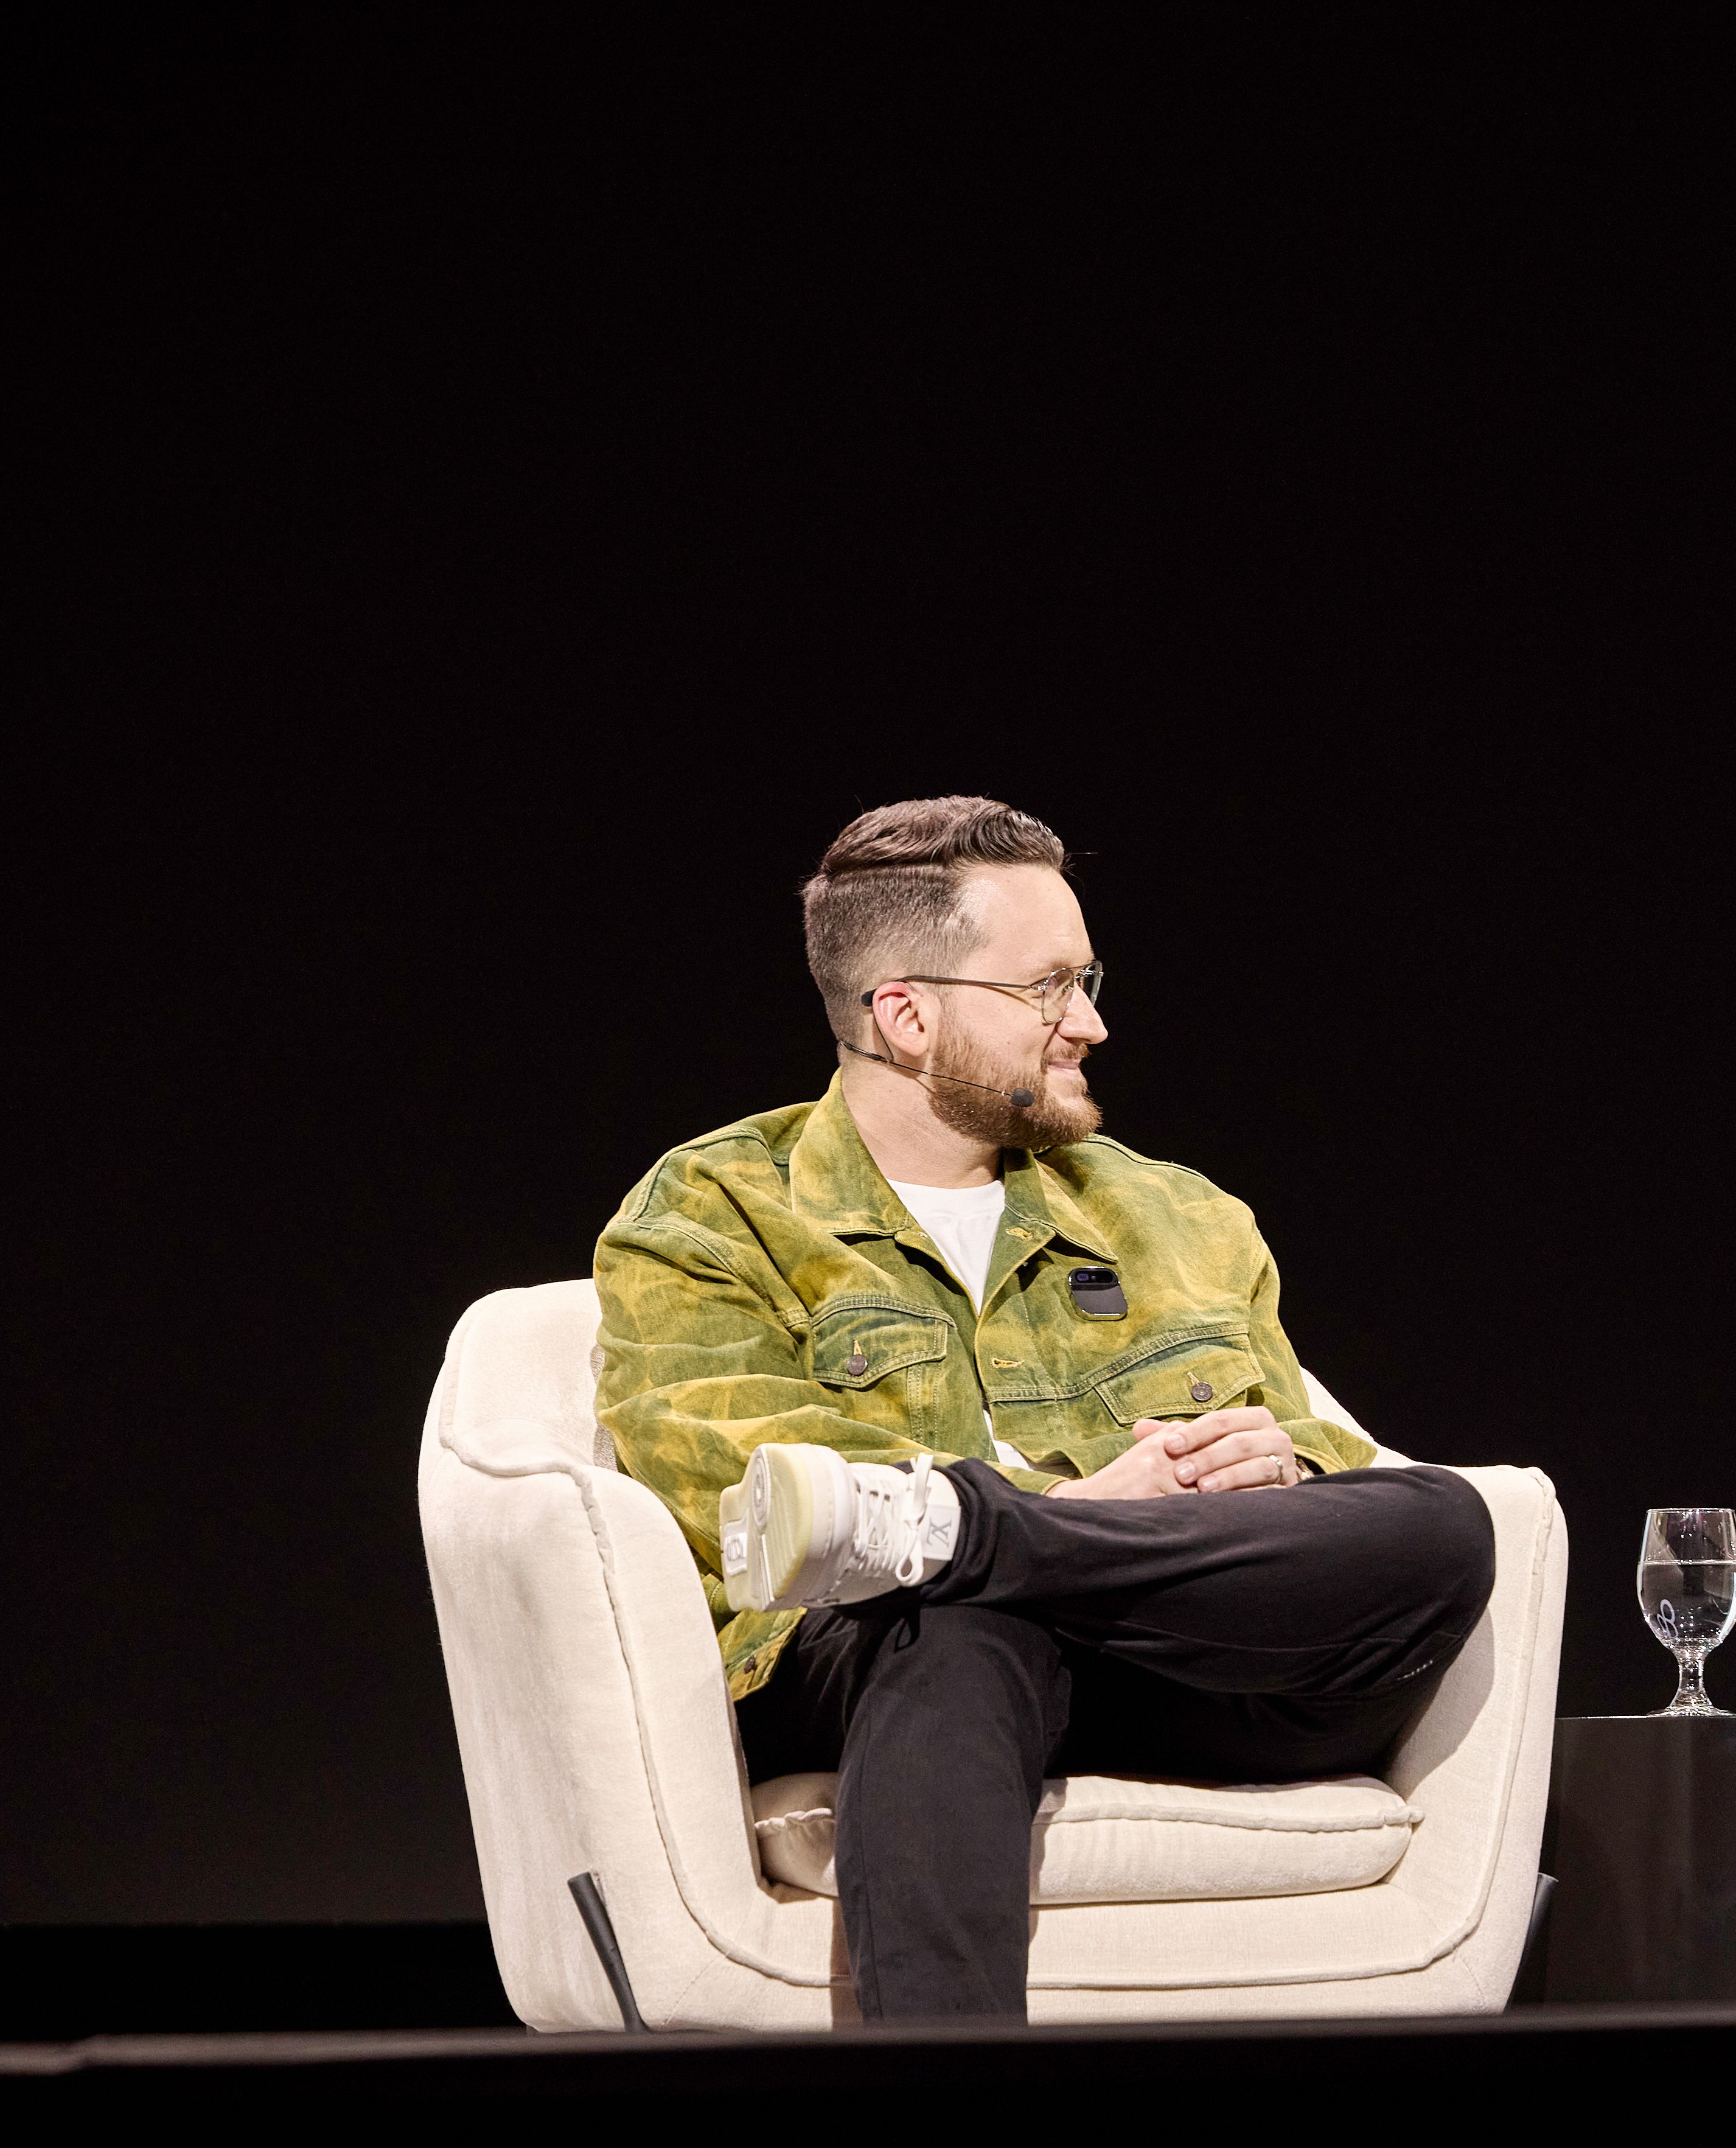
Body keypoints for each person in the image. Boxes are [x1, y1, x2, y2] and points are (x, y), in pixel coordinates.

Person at [594, 796, 1497, 2021]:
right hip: (885, 1655)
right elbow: (745, 1484)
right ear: (907, 1015)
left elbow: (1317, 1463)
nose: (1094, 1023)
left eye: (1090, 979)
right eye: (1050, 989)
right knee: (957, 1624)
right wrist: (1089, 1506)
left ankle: (972, 1532)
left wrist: (1281, 1465)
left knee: (1440, 1524)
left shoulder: (1178, 1215)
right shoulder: (715, 1214)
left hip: (1182, 1653)